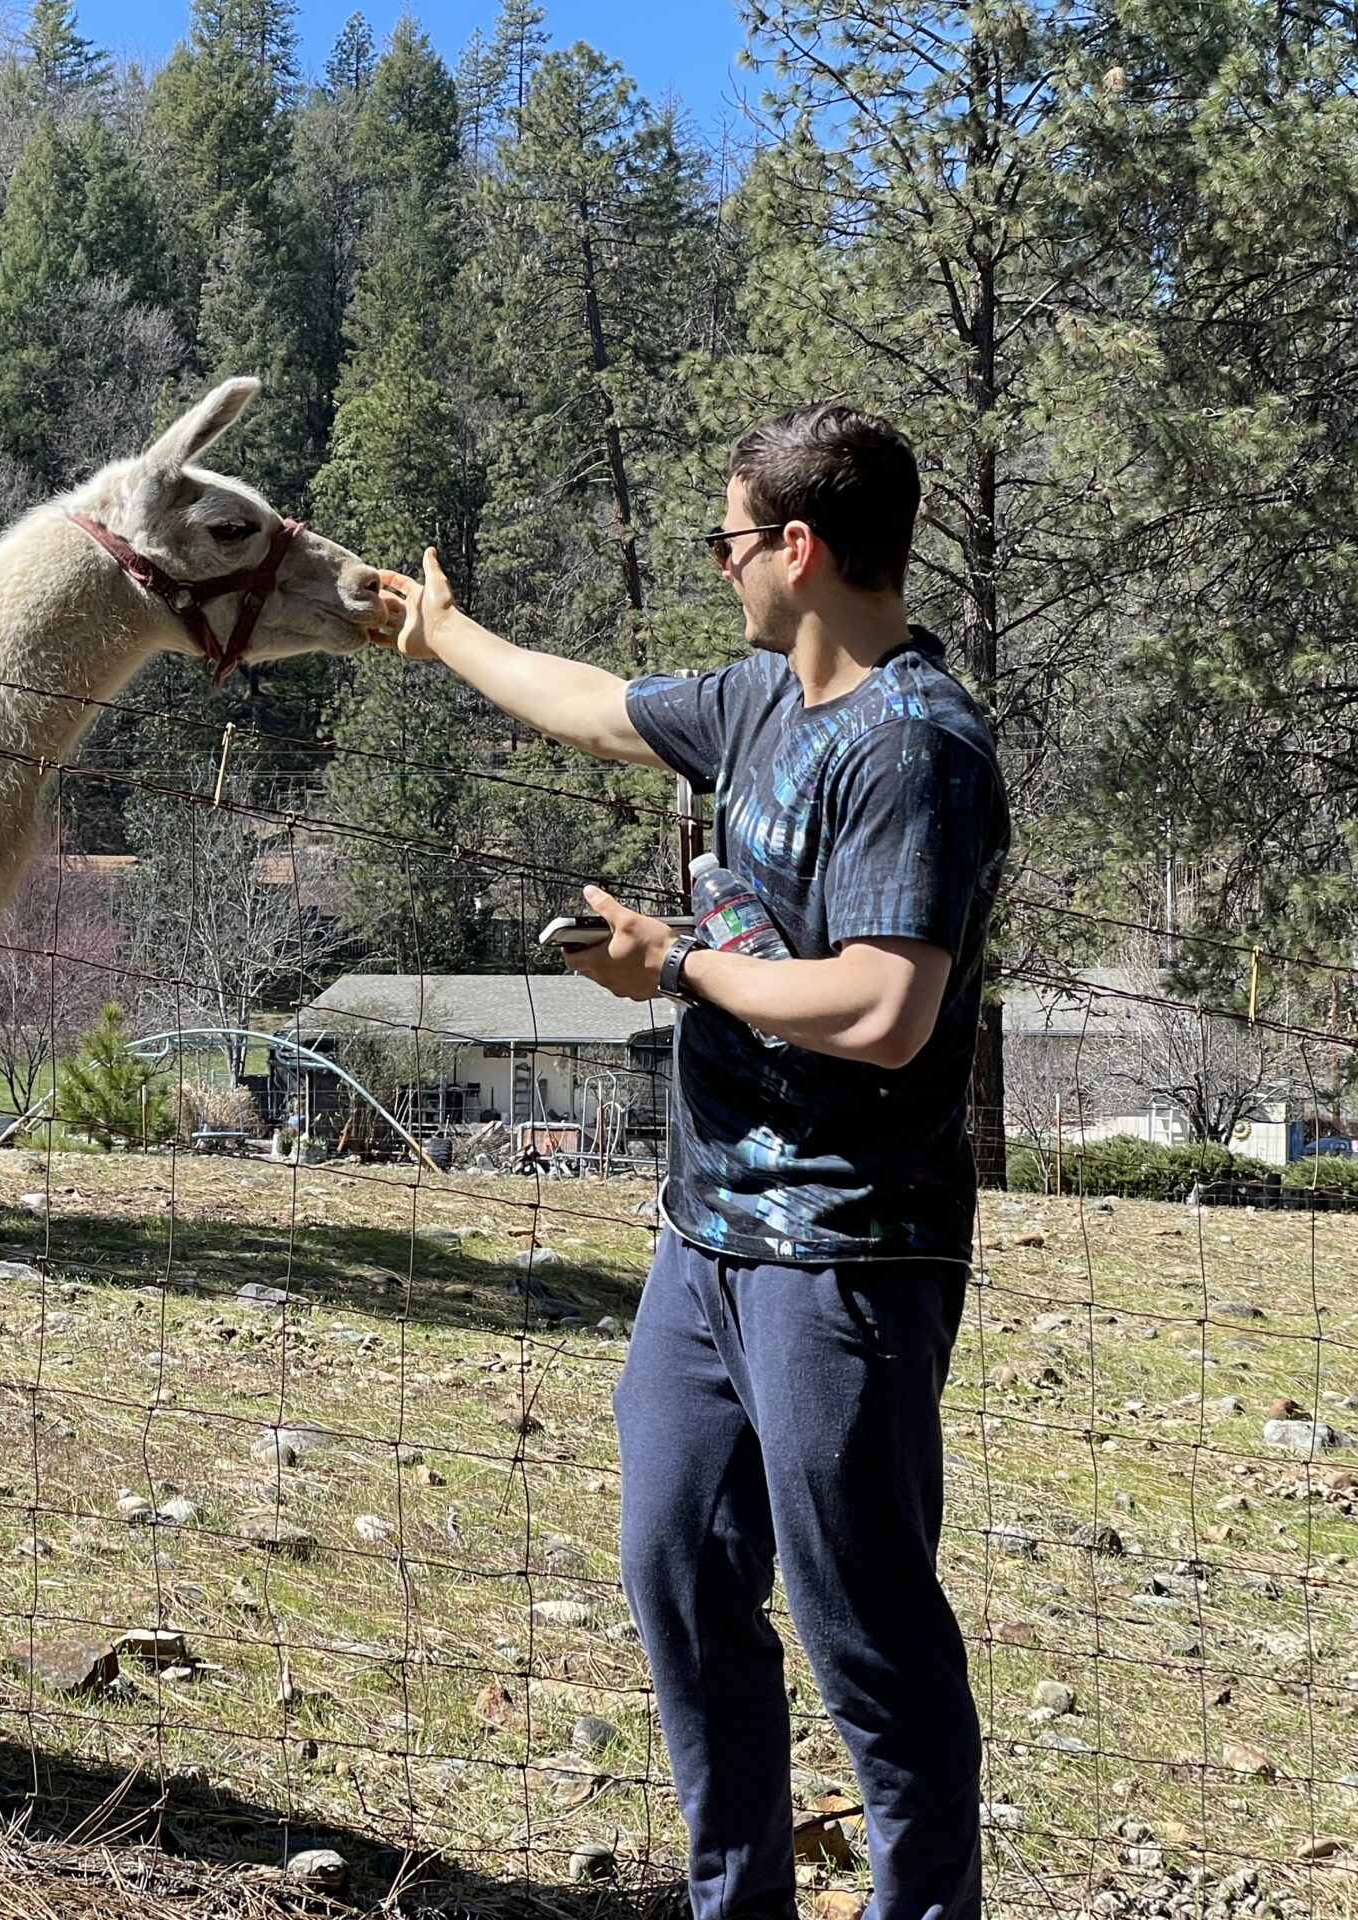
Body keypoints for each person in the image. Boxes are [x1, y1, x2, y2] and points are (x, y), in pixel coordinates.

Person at [380, 404, 1006, 1920]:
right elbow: (593, 705)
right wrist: (443, 632)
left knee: (865, 1631)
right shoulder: (758, 702)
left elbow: (883, 1002)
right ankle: (739, 1902)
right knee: (677, 1566)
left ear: (797, 550)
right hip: (707, 1238)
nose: (720, 565)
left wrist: (677, 970)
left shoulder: (913, 747)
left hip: (846, 1252)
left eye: (727, 540)